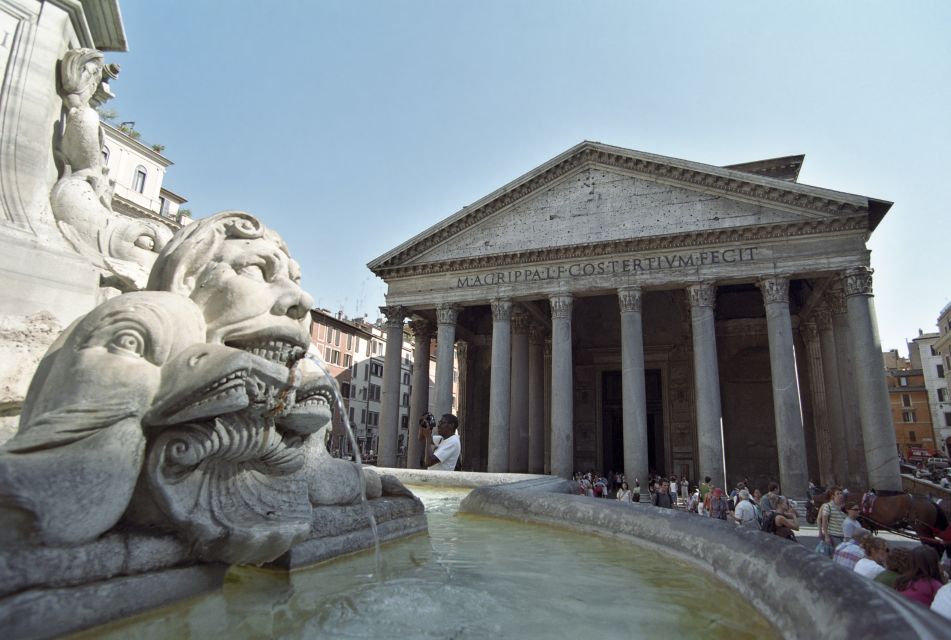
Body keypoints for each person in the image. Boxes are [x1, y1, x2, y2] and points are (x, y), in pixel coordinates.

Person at [818, 486, 847, 554]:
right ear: (833, 496)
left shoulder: (845, 507)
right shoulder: (828, 506)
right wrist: (826, 536)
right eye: (838, 494)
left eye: (841, 493)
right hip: (834, 536)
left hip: (844, 536)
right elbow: (824, 522)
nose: (840, 495)